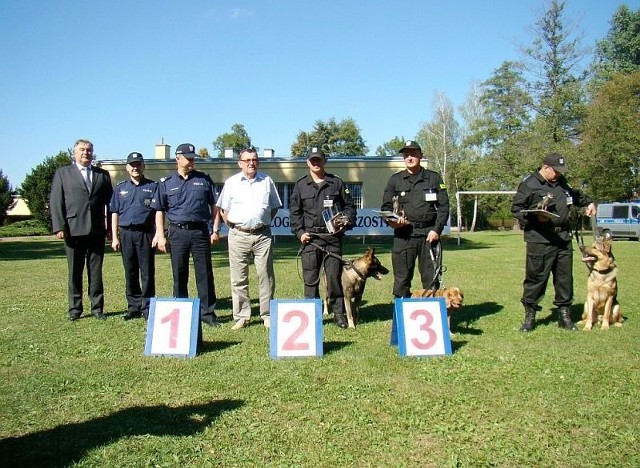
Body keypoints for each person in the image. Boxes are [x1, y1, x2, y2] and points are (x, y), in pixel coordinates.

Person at [511, 152, 596, 332]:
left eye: (560, 171)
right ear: (546, 167)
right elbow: (516, 209)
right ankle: (530, 317)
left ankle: (564, 316)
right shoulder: (529, 184)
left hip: (563, 238)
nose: (558, 174)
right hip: (540, 239)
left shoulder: (562, 182)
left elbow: (575, 196)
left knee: (564, 278)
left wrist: (588, 203)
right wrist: (535, 218)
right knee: (536, 278)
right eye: (556, 171)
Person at [151, 143, 222, 329]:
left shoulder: (204, 180)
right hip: (177, 232)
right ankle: (180, 310)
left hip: (200, 231)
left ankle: (208, 312)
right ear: (178, 158)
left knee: (204, 273)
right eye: (188, 158)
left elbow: (215, 207)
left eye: (193, 158)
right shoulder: (166, 183)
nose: (192, 161)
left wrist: (215, 230)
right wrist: (160, 235)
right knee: (179, 272)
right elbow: (159, 210)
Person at [289, 147, 356, 329]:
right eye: (312, 160)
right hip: (310, 238)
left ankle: (339, 314)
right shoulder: (301, 185)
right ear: (308, 162)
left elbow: (350, 206)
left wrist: (346, 220)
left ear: (324, 161)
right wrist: (300, 232)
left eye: (319, 159)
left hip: (332, 238)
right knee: (310, 279)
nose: (316, 163)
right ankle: (311, 314)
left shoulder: (336, 183)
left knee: (334, 278)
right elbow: (295, 213)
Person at [216, 147, 282, 330]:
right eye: (247, 160)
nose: (251, 163)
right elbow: (223, 209)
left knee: (266, 276)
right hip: (238, 235)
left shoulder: (267, 181)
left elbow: (274, 207)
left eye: (254, 160)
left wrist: (263, 221)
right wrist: (233, 225)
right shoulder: (231, 183)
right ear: (240, 163)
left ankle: (266, 315)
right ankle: (242, 316)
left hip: (262, 235)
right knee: (238, 278)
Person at [50, 139, 114, 321]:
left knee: (96, 272)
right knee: (74, 272)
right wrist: (59, 226)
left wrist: (110, 228)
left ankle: (97, 308)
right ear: (74, 153)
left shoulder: (102, 175)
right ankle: (75, 309)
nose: (86, 153)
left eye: (89, 150)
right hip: (72, 230)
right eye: (82, 150)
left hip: (96, 231)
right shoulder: (63, 173)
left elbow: (111, 205)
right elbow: (56, 201)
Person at [380, 140, 450, 299]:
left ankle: (431, 317)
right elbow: (386, 208)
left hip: (428, 235)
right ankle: (400, 318)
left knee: (431, 279)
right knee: (401, 279)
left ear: (421, 155)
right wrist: (392, 222)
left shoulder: (433, 178)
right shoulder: (395, 180)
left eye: (413, 154)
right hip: (404, 235)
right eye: (406, 154)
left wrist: (436, 230)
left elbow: (444, 206)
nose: (409, 157)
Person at [109, 152, 158, 321]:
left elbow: (158, 212)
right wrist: (114, 237)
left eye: (138, 164)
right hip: (126, 234)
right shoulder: (121, 188)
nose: (135, 167)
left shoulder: (153, 187)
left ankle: (148, 307)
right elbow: (114, 213)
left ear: (143, 166)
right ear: (127, 167)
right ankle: (133, 307)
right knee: (130, 271)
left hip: (145, 234)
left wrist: (159, 233)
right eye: (132, 165)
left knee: (147, 272)